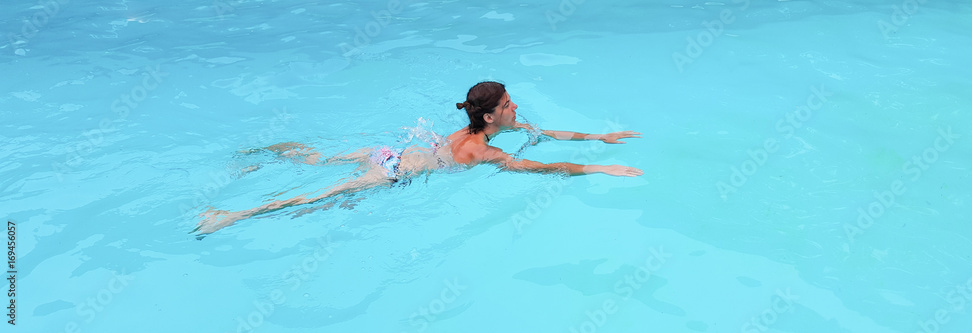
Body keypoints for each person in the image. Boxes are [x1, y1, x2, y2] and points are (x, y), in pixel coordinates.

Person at [192, 81, 643, 235]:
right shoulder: (481, 150)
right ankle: (229, 216)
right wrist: (597, 168)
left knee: (316, 161)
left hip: (390, 151)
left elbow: (544, 135)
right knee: (314, 198)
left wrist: (600, 137)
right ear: (491, 114)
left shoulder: (474, 128)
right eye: (509, 105)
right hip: (392, 174)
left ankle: (262, 153)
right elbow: (537, 167)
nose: (516, 108)